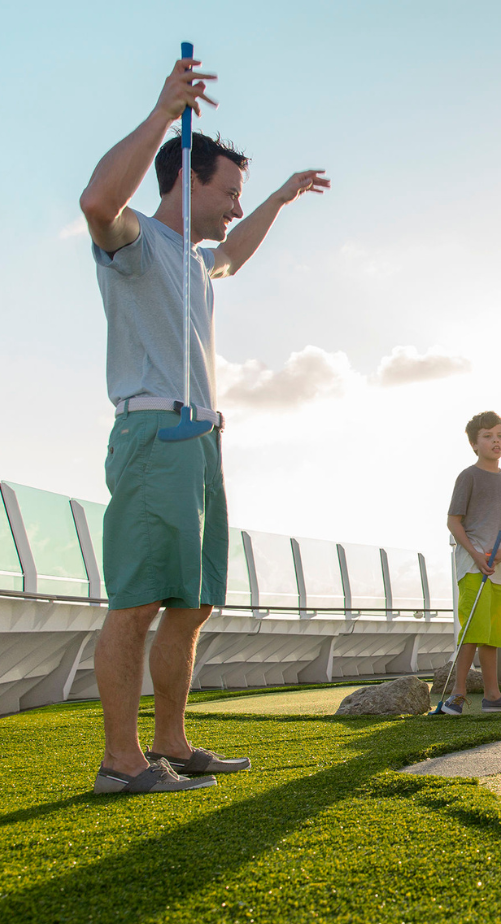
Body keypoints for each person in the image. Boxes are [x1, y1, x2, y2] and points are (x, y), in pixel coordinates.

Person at [80, 54, 328, 794]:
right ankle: (121, 764)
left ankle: (172, 743)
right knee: (138, 602)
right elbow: (97, 202)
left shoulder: (193, 260)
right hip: (153, 439)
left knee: (192, 603)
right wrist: (162, 111)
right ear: (186, 180)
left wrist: (279, 200)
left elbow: (235, 257)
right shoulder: (135, 244)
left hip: (201, 442)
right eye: (228, 193)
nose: (233, 206)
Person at [443, 411, 501, 714]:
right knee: (473, 629)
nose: (496, 441)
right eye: (488, 436)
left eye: (500, 435)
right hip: (472, 564)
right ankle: (457, 694)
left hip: (500, 566)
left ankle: (493, 696)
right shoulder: (468, 476)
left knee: (493, 634)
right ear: (474, 444)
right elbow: (453, 522)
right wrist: (476, 554)